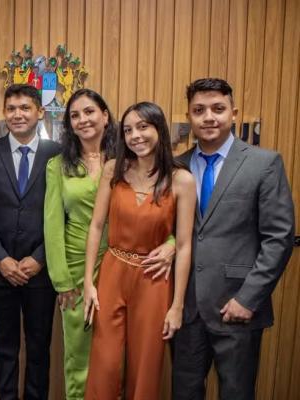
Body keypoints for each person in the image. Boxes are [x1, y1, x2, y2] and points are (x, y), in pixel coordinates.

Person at [44, 90, 176, 399]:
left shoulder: (132, 159)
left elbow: (163, 212)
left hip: (129, 264)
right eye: (74, 115)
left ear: (105, 116)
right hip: (78, 269)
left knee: (120, 356)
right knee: (79, 353)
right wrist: (62, 280)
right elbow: (51, 224)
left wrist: (171, 244)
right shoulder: (58, 165)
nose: (83, 120)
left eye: (89, 111)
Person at [172, 78, 295, 400]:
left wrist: (248, 298)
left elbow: (278, 238)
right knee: (183, 392)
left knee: (237, 393)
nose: (208, 117)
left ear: (233, 113)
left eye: (218, 109)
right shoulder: (175, 167)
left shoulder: (263, 163)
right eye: (199, 110)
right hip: (186, 309)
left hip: (237, 307)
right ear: (189, 115)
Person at [83, 102, 196, 400]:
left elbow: (183, 245)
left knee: (146, 364)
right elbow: (96, 226)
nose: (136, 136)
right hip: (112, 270)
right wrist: (88, 283)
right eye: (129, 130)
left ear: (159, 128)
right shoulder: (113, 170)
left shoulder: (181, 180)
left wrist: (177, 306)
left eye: (143, 127)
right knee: (104, 363)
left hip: (154, 279)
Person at [0, 84, 60, 400]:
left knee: (39, 349)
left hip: (41, 271)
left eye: (24, 107)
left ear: (39, 112)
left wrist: (39, 258)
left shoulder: (58, 154)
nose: (17, 114)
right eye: (11, 108)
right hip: (0, 272)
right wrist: (1, 259)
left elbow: (64, 213)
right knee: (4, 349)